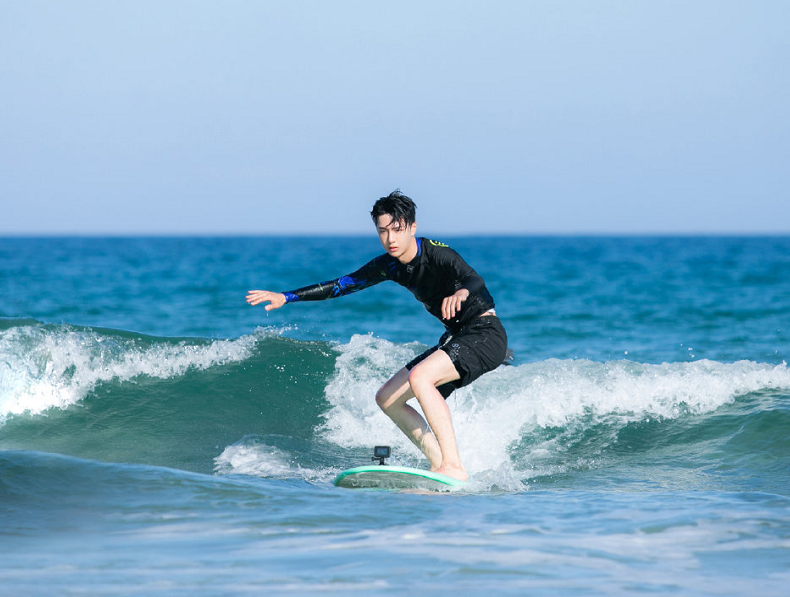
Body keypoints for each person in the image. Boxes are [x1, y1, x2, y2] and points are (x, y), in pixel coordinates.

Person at [246, 191, 507, 481]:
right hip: (457, 337)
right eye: (383, 231)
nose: (390, 239)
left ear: (412, 227)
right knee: (387, 399)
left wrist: (461, 292)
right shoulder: (389, 266)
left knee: (420, 378)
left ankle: (454, 466)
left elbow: (474, 278)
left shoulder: (436, 253)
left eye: (397, 230)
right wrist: (286, 297)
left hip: (484, 333)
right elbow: (341, 285)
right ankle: (440, 466)